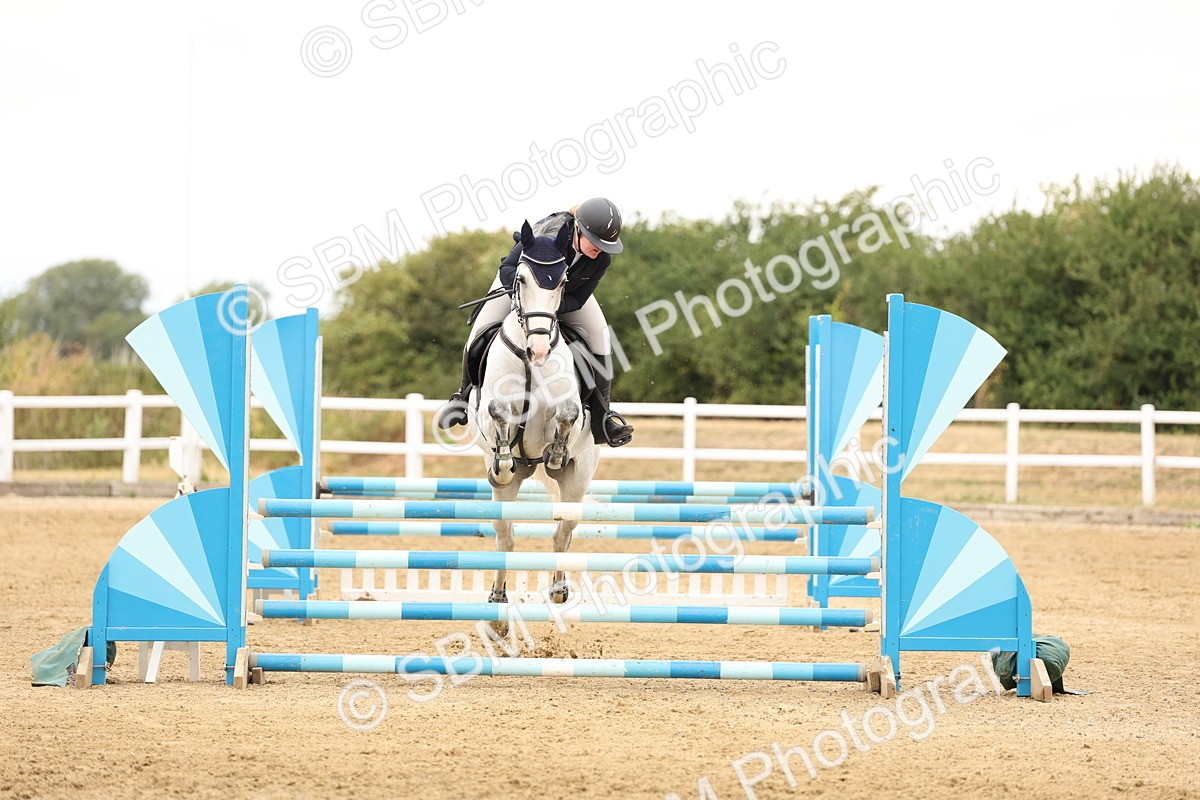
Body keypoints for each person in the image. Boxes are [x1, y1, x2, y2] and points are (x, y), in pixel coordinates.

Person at [435, 197, 635, 447]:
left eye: (605, 245)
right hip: (520, 289)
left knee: (601, 336)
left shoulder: (601, 258)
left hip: (564, 298)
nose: (600, 250)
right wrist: (531, 301)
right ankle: (461, 399)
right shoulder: (544, 236)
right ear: (578, 229)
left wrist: (548, 306)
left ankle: (603, 416)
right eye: (595, 242)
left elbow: (579, 298)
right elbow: (507, 269)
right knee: (480, 329)